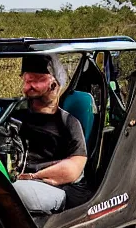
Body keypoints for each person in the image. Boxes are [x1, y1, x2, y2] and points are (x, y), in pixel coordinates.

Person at [12, 54, 92, 215]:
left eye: (37, 80)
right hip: (18, 178)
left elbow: (73, 169)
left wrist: (32, 176)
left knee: (8, 192)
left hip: (57, 187)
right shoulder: (15, 115)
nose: (30, 86)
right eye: (27, 81)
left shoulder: (69, 123)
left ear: (54, 84)